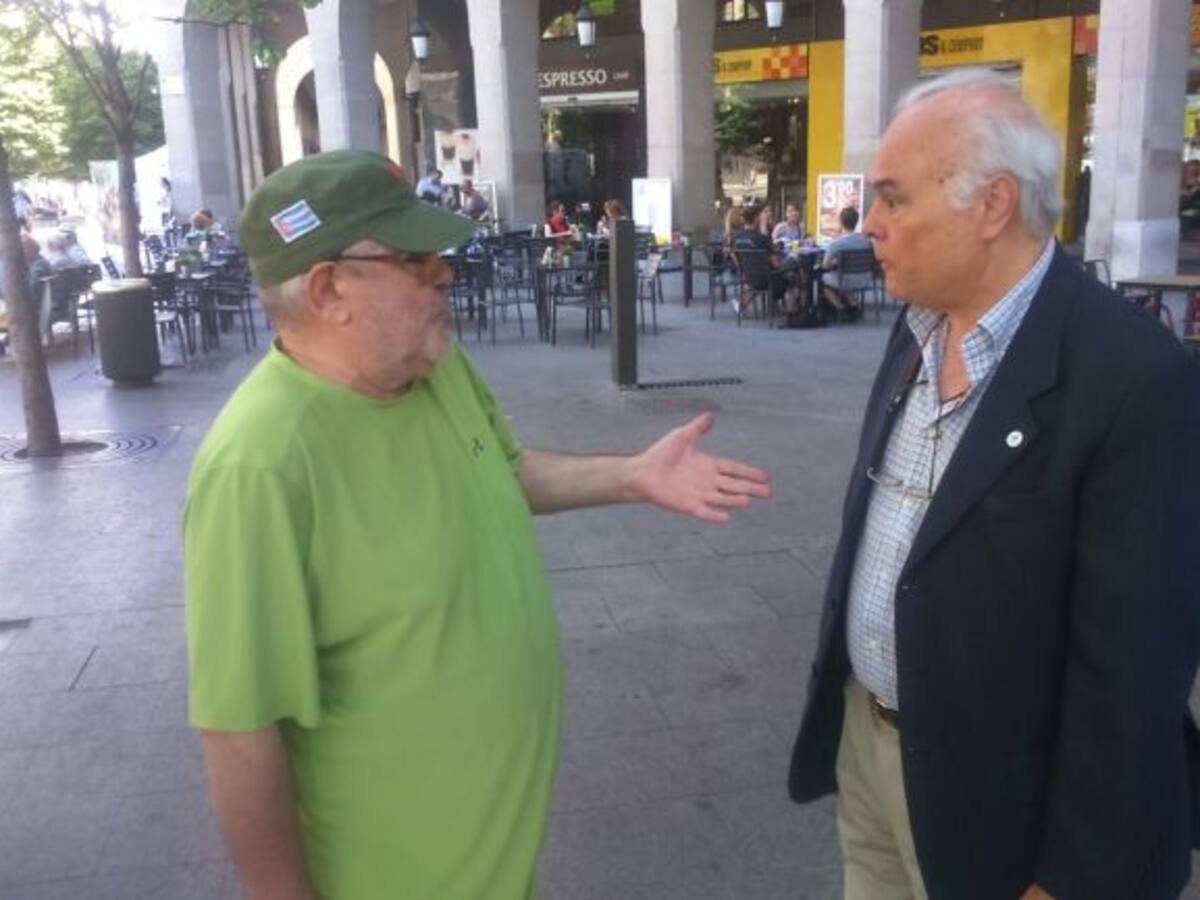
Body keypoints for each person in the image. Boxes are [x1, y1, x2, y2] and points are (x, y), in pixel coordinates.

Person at [184, 149, 770, 900]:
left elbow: (504, 469)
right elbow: (239, 732)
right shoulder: (257, 466)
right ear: (329, 290)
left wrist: (632, 475)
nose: (445, 274)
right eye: (415, 259)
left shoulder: (431, 366)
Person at [788, 69, 1200, 900]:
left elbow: (1134, 674)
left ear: (993, 205)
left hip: (1004, 806)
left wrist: (1072, 877)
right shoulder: (918, 326)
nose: (869, 224)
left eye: (893, 198)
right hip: (871, 753)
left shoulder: (1135, 377)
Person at [820, 206, 874, 319]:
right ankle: (854, 304)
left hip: (845, 280)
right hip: (865, 279)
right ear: (856, 221)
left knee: (823, 281)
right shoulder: (867, 241)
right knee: (842, 276)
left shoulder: (837, 243)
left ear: (840, 222)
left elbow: (825, 265)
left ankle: (841, 308)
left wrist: (835, 263)